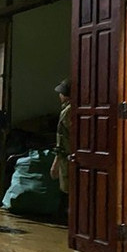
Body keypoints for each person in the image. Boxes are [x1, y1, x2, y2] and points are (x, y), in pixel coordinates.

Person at [50, 79, 71, 208]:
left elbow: (63, 139)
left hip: (67, 157)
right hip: (69, 157)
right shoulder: (71, 110)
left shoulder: (67, 112)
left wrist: (55, 163)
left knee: (67, 190)